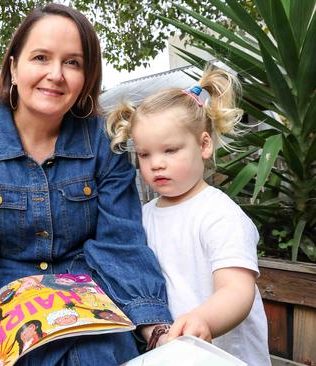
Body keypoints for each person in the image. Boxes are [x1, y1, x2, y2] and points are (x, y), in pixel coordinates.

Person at [0, 3, 173, 365]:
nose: (56, 74)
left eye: (72, 63)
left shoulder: (103, 142)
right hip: (3, 308)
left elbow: (120, 243)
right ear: (14, 67)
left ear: (86, 78)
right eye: (40, 57)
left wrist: (156, 332)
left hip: (92, 303)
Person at [106, 67, 271, 365]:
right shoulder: (142, 217)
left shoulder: (220, 215)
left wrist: (203, 319)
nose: (156, 164)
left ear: (204, 145)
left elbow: (237, 289)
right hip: (174, 353)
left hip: (227, 356)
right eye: (145, 154)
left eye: (170, 150)